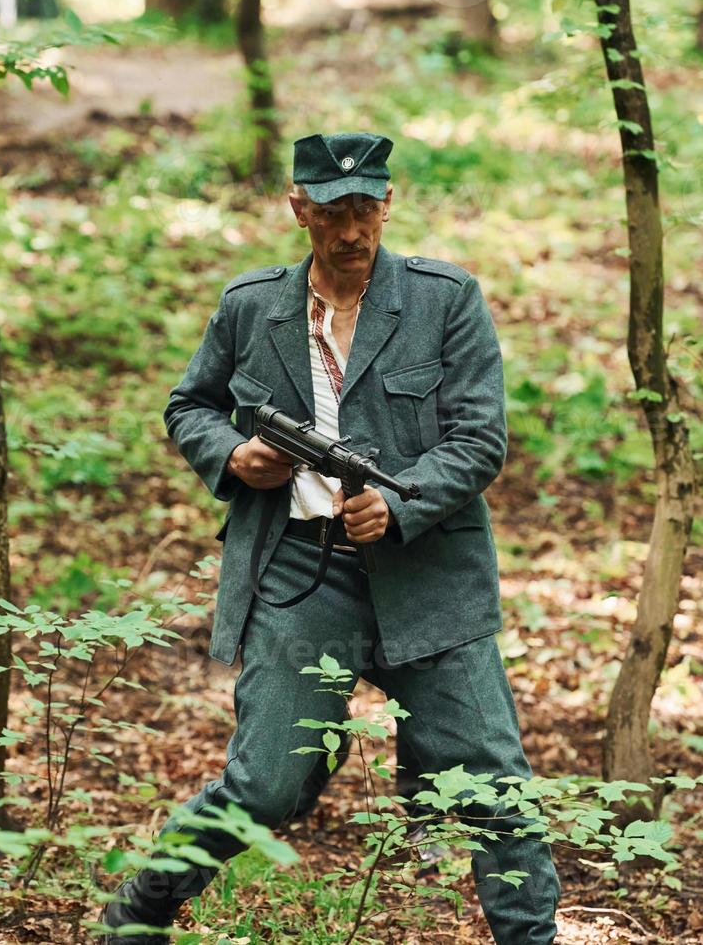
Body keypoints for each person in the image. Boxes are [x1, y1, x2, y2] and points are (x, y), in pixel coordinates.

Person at [100, 133, 559, 943]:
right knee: (265, 786)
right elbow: (189, 406)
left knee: (494, 790)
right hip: (299, 575)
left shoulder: (445, 299)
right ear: (298, 209)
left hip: (430, 580)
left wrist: (400, 502)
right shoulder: (252, 307)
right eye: (331, 214)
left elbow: (480, 439)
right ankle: (138, 916)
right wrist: (233, 455)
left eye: (364, 210)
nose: (351, 231)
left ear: (387, 205)